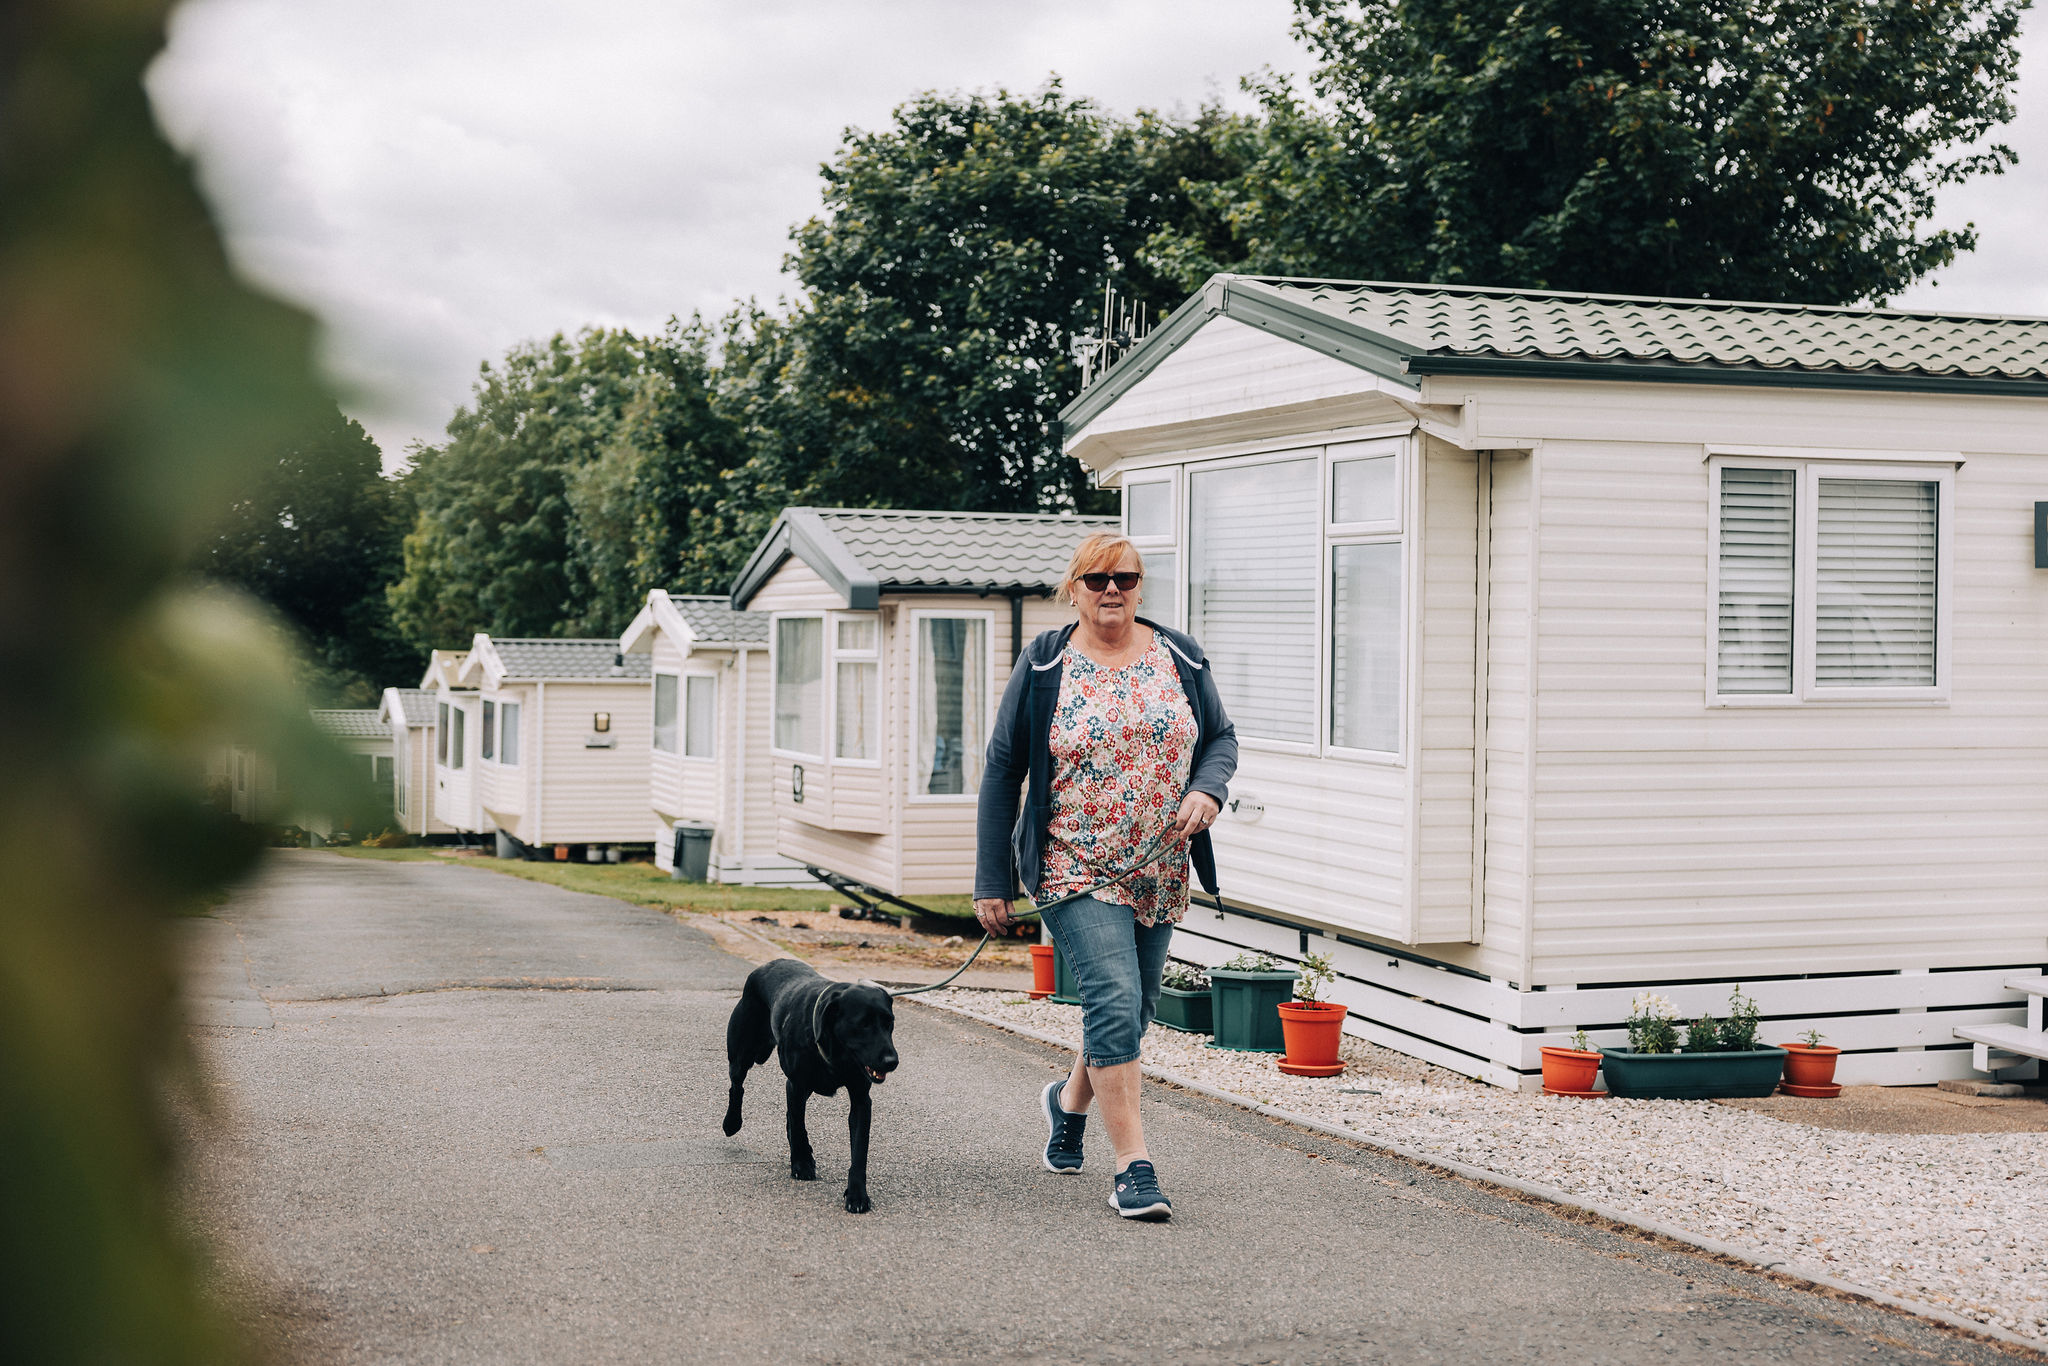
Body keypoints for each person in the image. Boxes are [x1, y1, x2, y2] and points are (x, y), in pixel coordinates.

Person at [974, 532, 1237, 1220]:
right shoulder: (1044, 664)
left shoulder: (1178, 655)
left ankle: (1067, 1104)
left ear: (1141, 585)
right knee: (1115, 1001)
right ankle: (1134, 1168)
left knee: (1136, 1008)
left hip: (1158, 865)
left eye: (1124, 577)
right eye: (1096, 580)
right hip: (1075, 865)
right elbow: (1005, 771)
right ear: (1074, 588)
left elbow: (1221, 739)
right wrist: (990, 880)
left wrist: (1207, 790)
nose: (1111, 589)